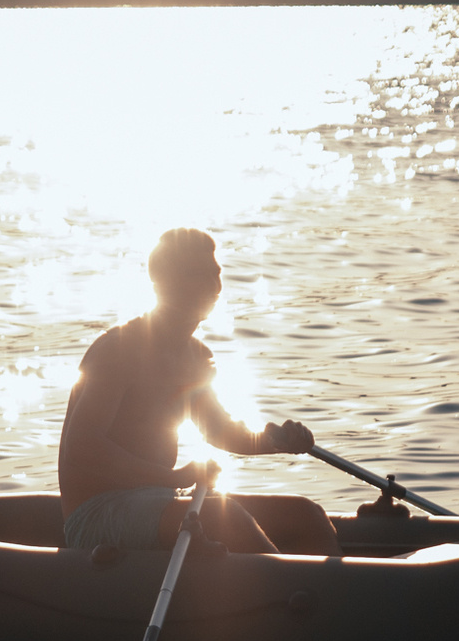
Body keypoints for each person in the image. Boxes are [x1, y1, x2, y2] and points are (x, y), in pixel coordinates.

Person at [58, 228, 339, 556]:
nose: (213, 286)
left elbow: (219, 430)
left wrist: (275, 441)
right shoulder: (119, 350)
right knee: (221, 518)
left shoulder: (196, 356)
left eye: (215, 273)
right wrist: (175, 478)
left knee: (306, 515)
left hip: (160, 498)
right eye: (197, 274)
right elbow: (83, 447)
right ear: (163, 282)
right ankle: (293, 587)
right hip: (98, 514)